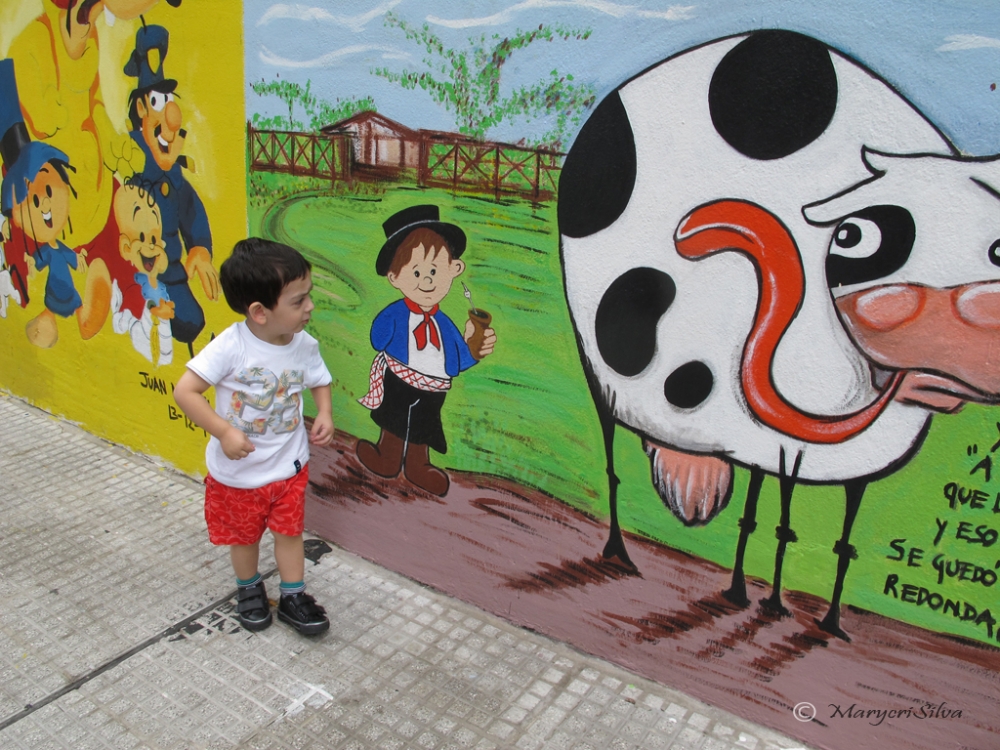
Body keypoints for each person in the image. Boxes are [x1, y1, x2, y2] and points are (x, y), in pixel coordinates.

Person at [173, 238, 334, 635]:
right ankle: (249, 588)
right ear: (260, 312)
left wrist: (325, 411)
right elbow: (185, 391)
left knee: (290, 533)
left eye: (308, 296)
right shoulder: (230, 347)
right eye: (298, 301)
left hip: (288, 467)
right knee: (244, 539)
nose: (309, 307)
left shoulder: (303, 344)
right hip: (239, 475)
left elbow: (319, 378)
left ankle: (293, 595)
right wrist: (224, 431)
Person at [357, 204, 497, 496]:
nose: (427, 280)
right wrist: (388, 327)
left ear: (454, 269)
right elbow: (377, 338)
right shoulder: (396, 314)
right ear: (394, 277)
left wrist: (476, 348)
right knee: (393, 420)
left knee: (423, 426)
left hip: (432, 388)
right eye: (416, 272)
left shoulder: (444, 325)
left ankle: (418, 466)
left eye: (434, 270)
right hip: (398, 378)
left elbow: (456, 360)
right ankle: (388, 456)